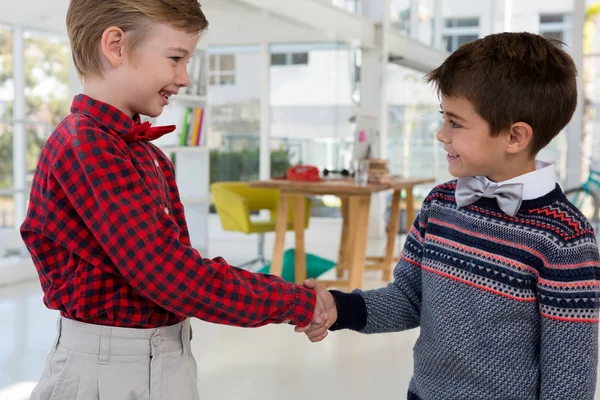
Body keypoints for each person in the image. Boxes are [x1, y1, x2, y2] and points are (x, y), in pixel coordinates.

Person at [20, 1, 326, 399]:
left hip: (164, 356)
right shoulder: (87, 143)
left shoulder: (147, 154)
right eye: (176, 58)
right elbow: (170, 274)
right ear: (115, 46)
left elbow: (176, 265)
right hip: (106, 372)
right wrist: (295, 302)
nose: (183, 78)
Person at [299, 32, 600, 400]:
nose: (441, 134)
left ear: (515, 137)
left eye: (455, 123)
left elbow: (569, 378)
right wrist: (339, 307)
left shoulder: (565, 239)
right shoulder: (440, 204)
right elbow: (409, 299)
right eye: (444, 117)